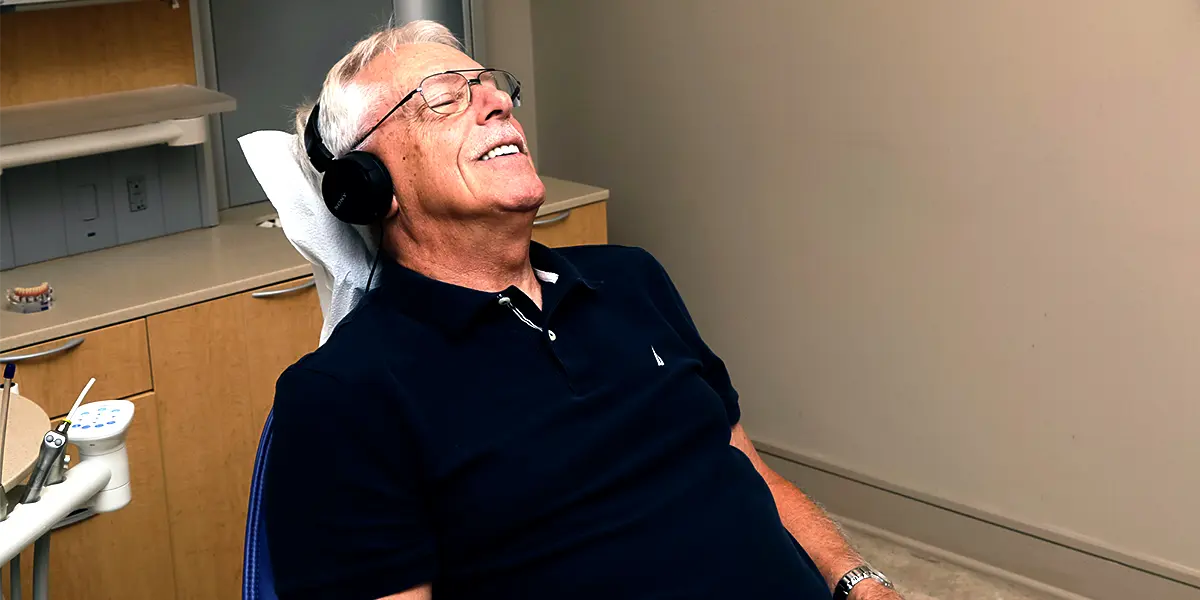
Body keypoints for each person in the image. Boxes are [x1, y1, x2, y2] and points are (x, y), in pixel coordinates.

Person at [264, 20, 902, 600]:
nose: (498, 102)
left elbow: (745, 464)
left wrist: (859, 582)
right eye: (444, 95)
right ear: (367, 186)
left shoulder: (631, 278)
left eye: (489, 84)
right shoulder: (342, 394)